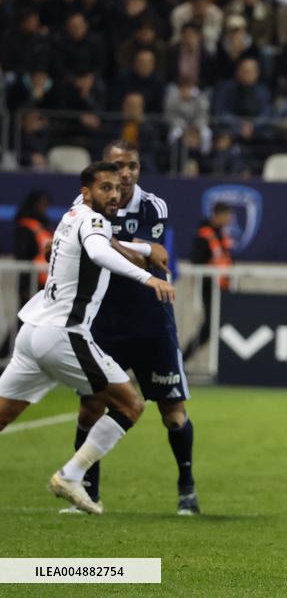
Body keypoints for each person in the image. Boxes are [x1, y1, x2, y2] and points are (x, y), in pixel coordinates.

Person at [0, 162, 175, 515]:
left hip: (32, 331)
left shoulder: (73, 214)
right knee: (130, 405)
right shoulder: (93, 220)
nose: (114, 194)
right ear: (87, 192)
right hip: (63, 333)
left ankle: (73, 475)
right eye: (105, 188)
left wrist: (142, 250)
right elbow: (98, 251)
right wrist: (148, 279)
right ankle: (71, 474)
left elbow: (99, 241)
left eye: (116, 188)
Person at [66, 141, 200, 516]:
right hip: (103, 325)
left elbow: (155, 250)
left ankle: (186, 487)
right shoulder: (84, 204)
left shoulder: (151, 204)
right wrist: (131, 247)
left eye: (132, 167)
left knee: (172, 414)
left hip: (151, 322)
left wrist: (107, 243)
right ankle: (86, 492)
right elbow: (143, 252)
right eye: (118, 166)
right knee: (90, 408)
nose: (125, 174)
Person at [183, 202, 234, 361]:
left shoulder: (220, 234)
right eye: (227, 216)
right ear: (218, 215)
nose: (229, 219)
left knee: (217, 325)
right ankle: (182, 358)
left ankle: (184, 358)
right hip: (209, 288)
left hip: (222, 288)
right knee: (210, 326)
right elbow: (196, 261)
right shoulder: (205, 234)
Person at [14, 190, 52, 308]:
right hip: (31, 283)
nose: (43, 207)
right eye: (41, 203)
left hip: (46, 283)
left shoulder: (44, 226)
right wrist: (25, 287)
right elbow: (22, 256)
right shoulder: (25, 227)